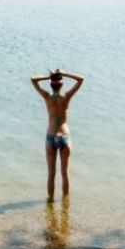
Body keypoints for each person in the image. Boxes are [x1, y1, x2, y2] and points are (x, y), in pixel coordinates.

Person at [30, 69, 84, 201]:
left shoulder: (47, 97)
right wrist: (64, 73)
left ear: (51, 85)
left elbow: (33, 79)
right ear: (61, 85)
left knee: (51, 174)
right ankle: (65, 202)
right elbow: (81, 79)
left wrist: (48, 76)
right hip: (64, 136)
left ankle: (50, 201)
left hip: (50, 136)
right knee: (65, 173)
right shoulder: (66, 96)